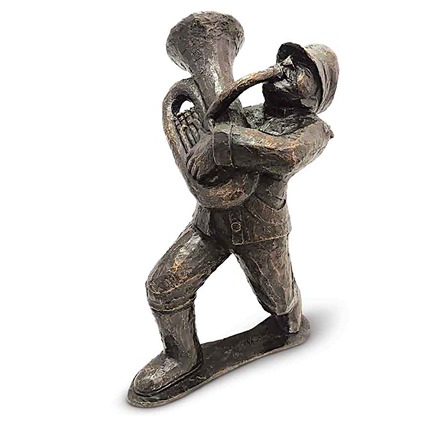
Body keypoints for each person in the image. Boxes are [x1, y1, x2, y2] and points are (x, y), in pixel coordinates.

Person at [132, 42, 339, 396]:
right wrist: (196, 137)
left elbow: (285, 154)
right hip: (211, 224)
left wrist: (219, 143)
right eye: (286, 57)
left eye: (303, 67)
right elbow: (203, 157)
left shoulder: (314, 130)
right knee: (163, 286)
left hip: (261, 231)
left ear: (317, 96)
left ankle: (290, 321)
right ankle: (181, 357)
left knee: (279, 303)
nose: (286, 64)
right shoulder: (244, 113)